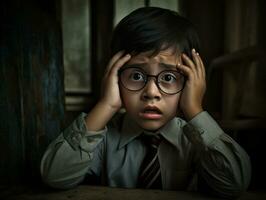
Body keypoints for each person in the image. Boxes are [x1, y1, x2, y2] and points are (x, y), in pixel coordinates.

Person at [40, 7, 251, 198]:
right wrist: (106, 105)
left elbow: (234, 185)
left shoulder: (194, 141)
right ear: (115, 78)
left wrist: (194, 109)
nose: (151, 93)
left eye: (168, 77)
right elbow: (54, 176)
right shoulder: (103, 138)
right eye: (136, 76)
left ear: (190, 83)